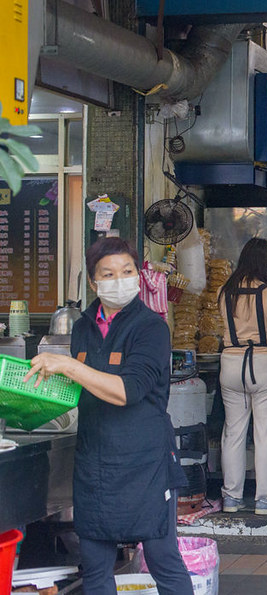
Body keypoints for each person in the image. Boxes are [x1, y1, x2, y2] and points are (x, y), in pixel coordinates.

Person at [26, 236, 193, 594]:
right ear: (93, 282)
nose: (120, 280)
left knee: (163, 560)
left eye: (127, 271)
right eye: (109, 274)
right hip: (96, 462)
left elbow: (127, 390)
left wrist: (68, 366)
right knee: (95, 566)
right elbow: (84, 387)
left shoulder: (151, 328)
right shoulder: (83, 327)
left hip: (145, 463)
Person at [218, 237, 267, 515]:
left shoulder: (224, 292)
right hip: (264, 365)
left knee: (233, 433)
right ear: (266, 263)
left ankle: (231, 497)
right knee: (266, 434)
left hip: (230, 364)